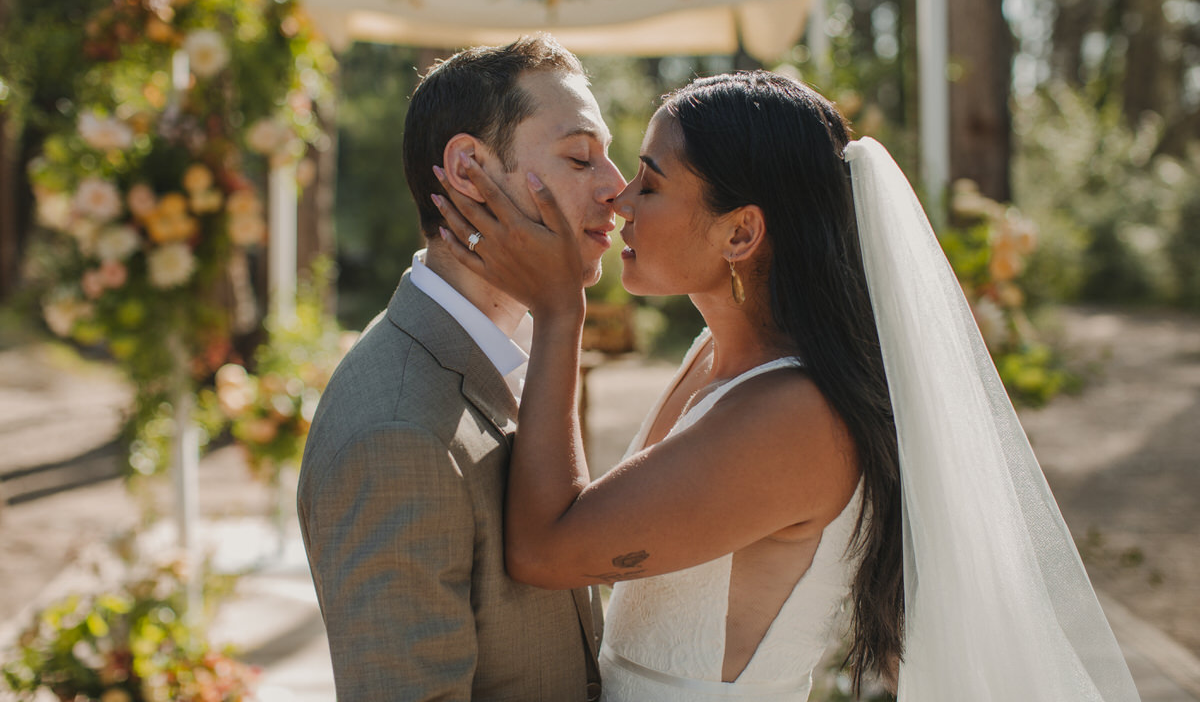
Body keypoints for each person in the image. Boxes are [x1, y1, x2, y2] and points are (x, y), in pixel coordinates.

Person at [432, 70, 1143, 701]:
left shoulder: (794, 420)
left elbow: (546, 550)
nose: (619, 198)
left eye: (650, 180)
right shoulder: (715, 356)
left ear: (741, 233)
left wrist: (561, 311)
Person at [297, 34, 623, 701]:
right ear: (469, 171)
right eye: (580, 157)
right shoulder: (396, 435)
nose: (617, 188)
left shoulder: (521, 351)